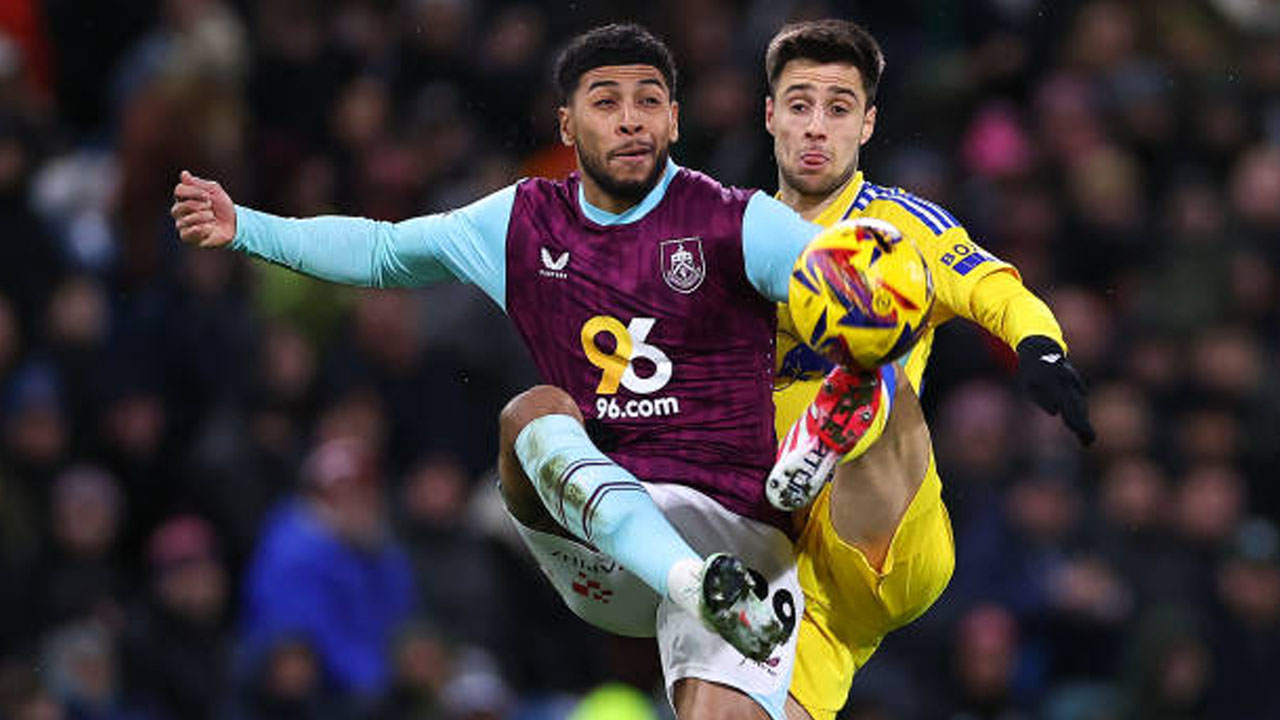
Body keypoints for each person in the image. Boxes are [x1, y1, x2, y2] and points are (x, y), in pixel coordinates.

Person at [171, 24, 848, 720]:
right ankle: (692, 586)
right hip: (606, 546)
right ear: (567, 121)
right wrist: (244, 226)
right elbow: (382, 251)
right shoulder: (522, 222)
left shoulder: (741, 223)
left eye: (649, 101)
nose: (629, 119)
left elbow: (850, 286)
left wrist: (878, 299)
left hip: (733, 534)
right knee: (530, 412)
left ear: (674, 119)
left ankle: (709, 592)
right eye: (605, 101)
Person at [757, 19, 1095, 720]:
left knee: (872, 346)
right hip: (785, 565)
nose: (817, 127)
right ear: (770, 116)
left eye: (839, 108)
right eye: (799, 105)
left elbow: (994, 290)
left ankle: (848, 398)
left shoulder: (902, 227)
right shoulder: (731, 234)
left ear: (868, 124)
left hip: (883, 522)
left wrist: (1041, 344)